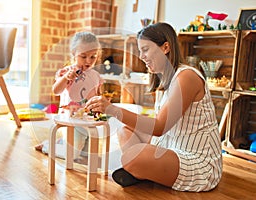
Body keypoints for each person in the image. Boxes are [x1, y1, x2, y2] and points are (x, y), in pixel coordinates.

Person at [85, 22, 222, 192]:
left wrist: (112, 109)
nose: (141, 56)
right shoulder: (164, 79)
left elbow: (159, 127)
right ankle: (143, 170)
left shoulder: (187, 76)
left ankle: (139, 170)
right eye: (139, 51)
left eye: (145, 49)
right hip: (171, 144)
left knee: (132, 157)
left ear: (165, 47)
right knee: (125, 130)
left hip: (197, 161)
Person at [37, 31, 104, 159]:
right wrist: (66, 78)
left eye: (93, 56)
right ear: (73, 54)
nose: (88, 61)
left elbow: (97, 94)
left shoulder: (95, 75)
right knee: (72, 155)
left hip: (88, 121)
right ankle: (47, 145)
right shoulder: (67, 72)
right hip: (71, 120)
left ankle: (63, 143)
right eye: (83, 56)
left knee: (89, 155)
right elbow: (56, 90)